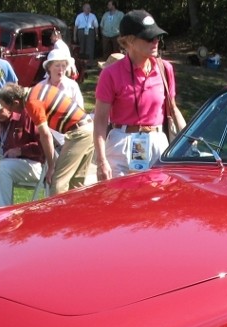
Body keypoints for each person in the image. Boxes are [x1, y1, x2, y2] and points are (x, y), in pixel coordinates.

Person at [93, 10, 175, 180]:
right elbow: (100, 120)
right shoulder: (110, 74)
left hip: (157, 144)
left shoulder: (165, 69)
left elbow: (172, 109)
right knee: (121, 202)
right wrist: (101, 160)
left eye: (157, 37)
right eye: (148, 37)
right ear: (129, 40)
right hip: (122, 144)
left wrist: (189, 143)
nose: (155, 42)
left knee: (157, 202)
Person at [23, 81, 95, 196]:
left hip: (78, 132)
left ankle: (57, 213)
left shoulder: (32, 102)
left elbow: (45, 135)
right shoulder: (39, 88)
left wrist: (51, 166)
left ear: (15, 102)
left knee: (57, 182)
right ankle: (76, 213)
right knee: (76, 183)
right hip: (88, 127)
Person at [0, 83, 45, 208]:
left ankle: (2, 211)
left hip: (33, 164)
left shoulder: (29, 114)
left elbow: (43, 146)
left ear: (14, 104)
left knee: (1, 168)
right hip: (7, 160)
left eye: (3, 108)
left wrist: (21, 150)